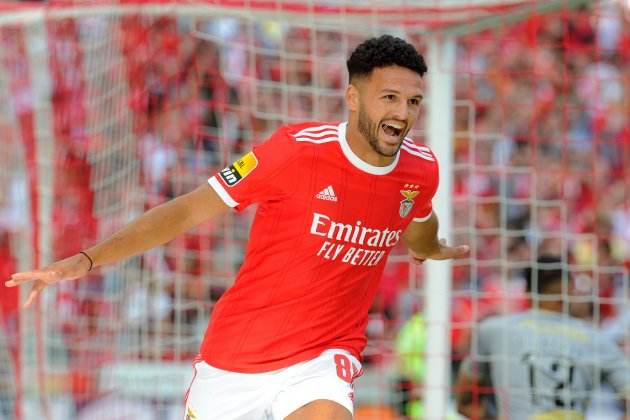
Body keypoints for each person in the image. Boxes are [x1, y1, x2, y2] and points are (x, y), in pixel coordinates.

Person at [6, 35, 468, 420]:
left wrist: (433, 248)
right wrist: (87, 260)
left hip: (323, 357)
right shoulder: (294, 152)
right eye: (389, 98)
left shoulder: (422, 169)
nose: (403, 113)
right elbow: (188, 211)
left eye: (413, 101)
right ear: (353, 97)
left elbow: (416, 221)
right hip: (235, 356)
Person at [455, 256, 630, 420]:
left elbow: (465, 403)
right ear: (568, 293)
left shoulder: (493, 330)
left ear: (527, 291)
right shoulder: (597, 340)